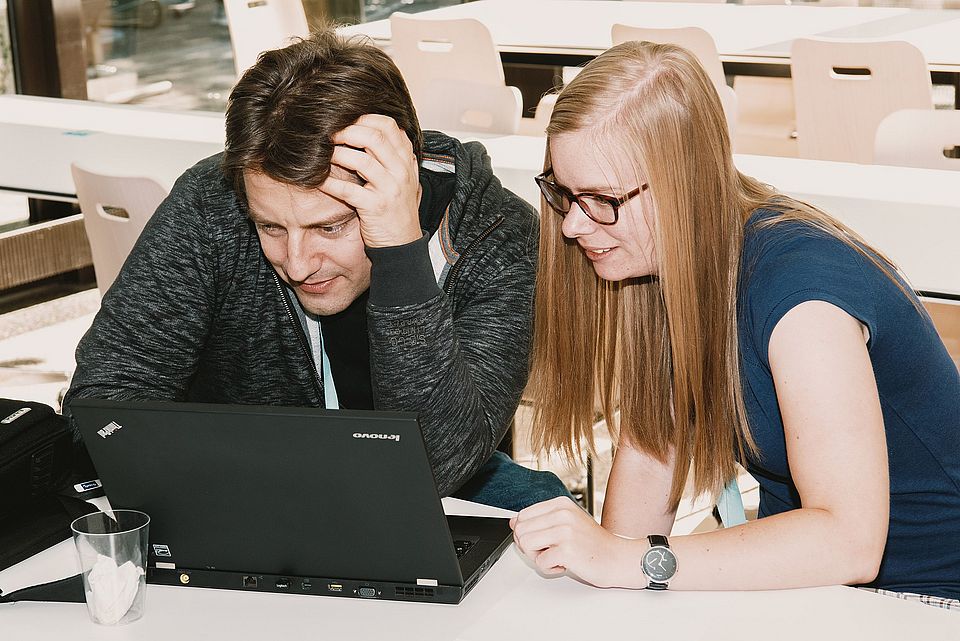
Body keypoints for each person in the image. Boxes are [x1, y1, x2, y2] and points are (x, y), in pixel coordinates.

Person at [511, 40, 960, 606]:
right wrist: (610, 564)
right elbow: (650, 459)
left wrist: (625, 560)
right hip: (816, 587)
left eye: (600, 198)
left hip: (928, 594)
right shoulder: (664, 269)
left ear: (683, 185)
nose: (573, 225)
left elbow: (850, 544)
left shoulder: (803, 303)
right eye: (564, 193)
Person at [63, 28, 569, 512]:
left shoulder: (497, 235)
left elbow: (437, 467)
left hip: (444, 471)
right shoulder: (212, 202)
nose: (298, 264)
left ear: (405, 191)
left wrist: (399, 252)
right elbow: (103, 403)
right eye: (270, 227)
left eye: (330, 227)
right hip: (245, 474)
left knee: (544, 506)